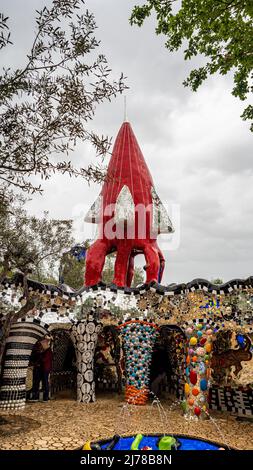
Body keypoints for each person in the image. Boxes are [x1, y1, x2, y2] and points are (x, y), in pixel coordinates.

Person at [30, 336, 53, 402]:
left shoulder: (48, 351)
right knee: (37, 382)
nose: (41, 345)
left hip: (45, 369)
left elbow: (44, 360)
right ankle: (35, 397)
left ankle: (46, 397)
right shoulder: (44, 351)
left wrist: (39, 356)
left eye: (42, 344)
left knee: (45, 383)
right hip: (41, 369)